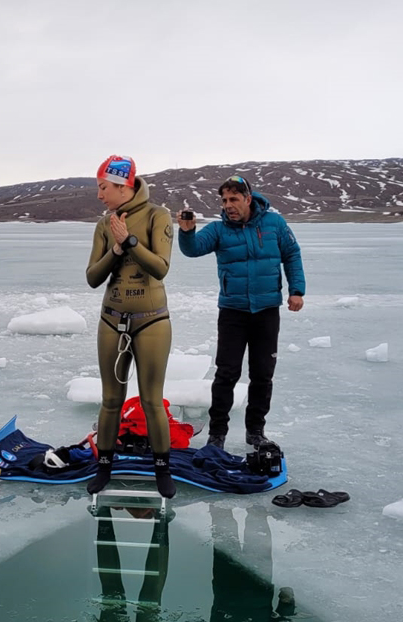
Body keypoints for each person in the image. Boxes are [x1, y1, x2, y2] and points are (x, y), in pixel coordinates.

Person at [177, 175, 305, 455]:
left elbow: (292, 254)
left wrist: (296, 290)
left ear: (248, 198)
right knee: (226, 374)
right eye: (224, 200)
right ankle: (217, 434)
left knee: (262, 374)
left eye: (234, 199)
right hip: (233, 311)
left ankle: (256, 432)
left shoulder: (275, 223)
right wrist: (186, 231)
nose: (228, 205)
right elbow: (193, 249)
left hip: (267, 310)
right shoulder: (219, 230)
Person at [85, 155, 176, 499]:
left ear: (123, 186)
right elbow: (93, 277)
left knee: (152, 400)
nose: (99, 195)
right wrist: (116, 247)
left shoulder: (157, 215)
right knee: (111, 399)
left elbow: (161, 268)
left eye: (103, 187)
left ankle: (162, 469)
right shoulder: (104, 224)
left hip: (151, 320)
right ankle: (104, 466)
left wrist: (132, 243)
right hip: (112, 318)